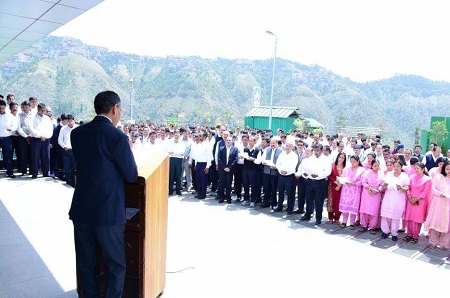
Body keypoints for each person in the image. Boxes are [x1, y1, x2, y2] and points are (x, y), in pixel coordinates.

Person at [69, 91, 138, 297]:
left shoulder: (77, 133)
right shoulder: (117, 137)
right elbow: (131, 174)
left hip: (82, 208)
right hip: (107, 212)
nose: (121, 112)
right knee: (116, 264)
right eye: (121, 108)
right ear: (115, 108)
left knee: (86, 262)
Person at [299, 144, 332, 224]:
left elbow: (328, 171)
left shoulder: (326, 159)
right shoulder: (310, 159)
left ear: (321, 150)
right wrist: (304, 174)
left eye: (318, 151)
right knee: (308, 199)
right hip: (310, 181)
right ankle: (307, 214)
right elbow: (304, 168)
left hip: (319, 182)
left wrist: (318, 175)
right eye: (315, 151)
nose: (316, 152)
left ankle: (318, 218)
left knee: (319, 201)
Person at [380, 160, 410, 241]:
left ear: (401, 167)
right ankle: (385, 231)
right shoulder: (389, 174)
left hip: (398, 197)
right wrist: (384, 185)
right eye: (395, 166)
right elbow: (384, 185)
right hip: (389, 196)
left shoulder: (404, 176)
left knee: (395, 216)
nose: (396, 168)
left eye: (398, 166)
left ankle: (394, 233)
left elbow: (407, 188)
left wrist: (401, 188)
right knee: (386, 215)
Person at [424, 161, 450, 250]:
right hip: (439, 203)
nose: (449, 171)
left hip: (448, 205)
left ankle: (444, 244)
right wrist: (440, 194)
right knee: (436, 223)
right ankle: (433, 242)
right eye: (447, 169)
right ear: (444, 169)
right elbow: (433, 188)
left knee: (447, 225)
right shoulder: (439, 177)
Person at [404, 162, 432, 244]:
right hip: (410, 200)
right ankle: (409, 234)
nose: (416, 170)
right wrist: (409, 197)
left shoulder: (427, 179)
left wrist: (416, 199)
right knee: (409, 218)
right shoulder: (411, 177)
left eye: (418, 168)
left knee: (417, 219)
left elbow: (425, 192)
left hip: (420, 201)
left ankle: (415, 236)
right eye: (415, 168)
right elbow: (407, 187)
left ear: (423, 169)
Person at [339, 155, 365, 229]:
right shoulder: (346, 169)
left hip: (355, 190)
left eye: (354, 161)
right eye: (351, 161)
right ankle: (344, 221)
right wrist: (342, 180)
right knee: (345, 206)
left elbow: (362, 181)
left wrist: (354, 183)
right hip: (346, 190)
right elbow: (342, 177)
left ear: (358, 162)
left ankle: (352, 223)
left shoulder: (361, 170)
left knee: (353, 206)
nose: (352, 163)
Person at [359, 159, 384, 234]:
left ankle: (372, 226)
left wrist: (377, 190)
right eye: (375, 166)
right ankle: (363, 225)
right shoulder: (367, 172)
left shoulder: (381, 173)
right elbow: (363, 182)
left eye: (378, 166)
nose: (376, 167)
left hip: (376, 194)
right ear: (372, 166)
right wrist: (370, 189)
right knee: (364, 209)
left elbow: (383, 184)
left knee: (374, 210)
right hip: (367, 193)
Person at [217, 136, 238, 203]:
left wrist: (229, 168)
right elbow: (219, 159)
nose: (228, 141)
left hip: (230, 170)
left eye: (230, 140)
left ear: (232, 141)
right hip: (222, 169)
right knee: (221, 184)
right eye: (227, 140)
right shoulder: (221, 149)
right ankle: (221, 197)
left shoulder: (235, 149)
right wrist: (224, 167)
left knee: (229, 184)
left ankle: (228, 197)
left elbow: (235, 159)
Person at [58, 114, 77, 187]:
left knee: (74, 167)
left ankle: (75, 182)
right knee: (67, 166)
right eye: (68, 121)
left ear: (73, 120)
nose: (69, 122)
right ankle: (68, 181)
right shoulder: (63, 129)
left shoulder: (77, 128)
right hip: (66, 150)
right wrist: (64, 146)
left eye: (71, 120)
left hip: (74, 150)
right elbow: (60, 140)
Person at [327, 152, 346, 224]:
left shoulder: (345, 168)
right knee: (331, 201)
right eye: (340, 157)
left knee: (339, 202)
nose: (341, 159)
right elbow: (329, 175)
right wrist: (336, 183)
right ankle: (330, 218)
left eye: (343, 158)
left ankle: (337, 218)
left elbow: (345, 178)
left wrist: (339, 185)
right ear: (337, 157)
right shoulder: (332, 165)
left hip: (341, 187)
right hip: (332, 185)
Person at [0, 99, 17, 178]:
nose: (1, 110)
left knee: (8, 156)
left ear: (5, 107)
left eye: (2, 108)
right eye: (0, 108)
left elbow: (15, 125)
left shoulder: (9, 116)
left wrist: (12, 129)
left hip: (6, 138)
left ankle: (10, 172)